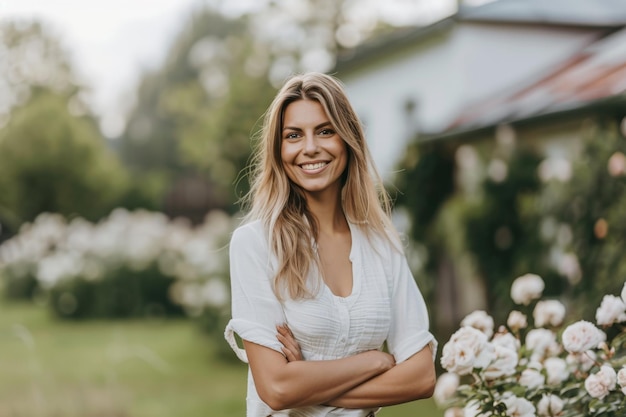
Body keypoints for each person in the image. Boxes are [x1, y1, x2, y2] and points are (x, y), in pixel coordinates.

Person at [224, 72, 437, 417]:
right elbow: (277, 388)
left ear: (347, 139)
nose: (310, 148)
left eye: (325, 131)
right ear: (279, 151)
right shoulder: (255, 244)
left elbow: (422, 376)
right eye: (294, 136)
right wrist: (376, 360)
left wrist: (307, 382)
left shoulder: (383, 245)